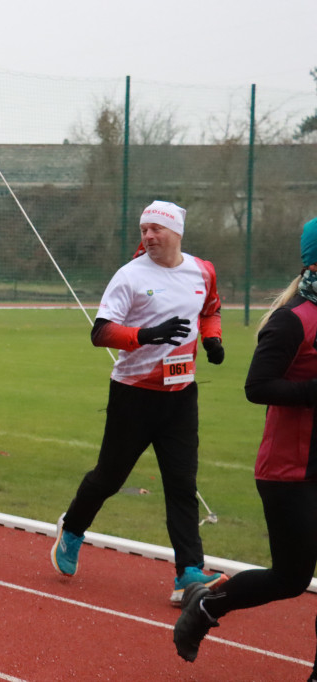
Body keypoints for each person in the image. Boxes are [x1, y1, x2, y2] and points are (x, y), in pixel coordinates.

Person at [50, 200, 227, 605]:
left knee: (182, 485)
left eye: (156, 230)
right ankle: (73, 528)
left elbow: (210, 311)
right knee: (109, 478)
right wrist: (146, 334)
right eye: (144, 229)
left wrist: (213, 339)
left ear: (176, 232)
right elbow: (100, 333)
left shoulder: (203, 270)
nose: (148, 236)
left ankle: (189, 574)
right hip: (133, 394)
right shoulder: (130, 276)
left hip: (181, 396)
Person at [174, 216, 317, 674]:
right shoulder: (294, 319)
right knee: (292, 578)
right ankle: (207, 606)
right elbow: (258, 387)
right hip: (291, 471)